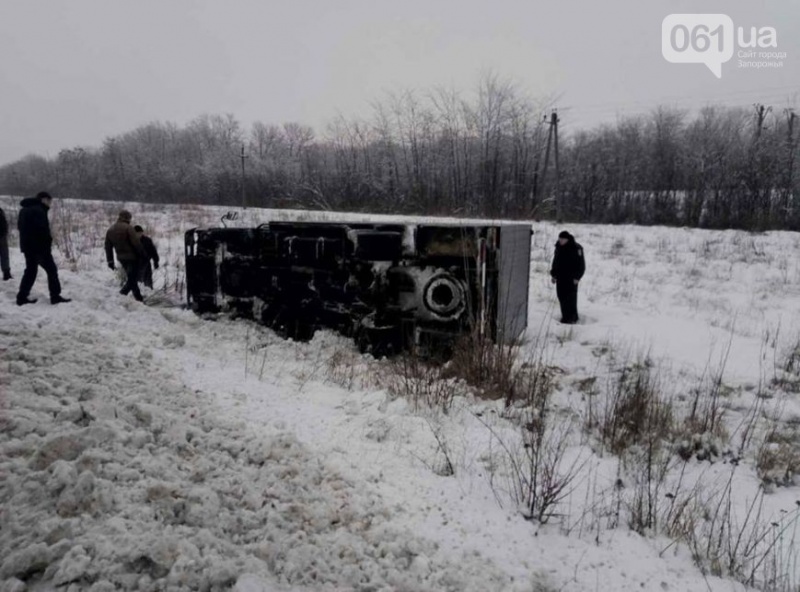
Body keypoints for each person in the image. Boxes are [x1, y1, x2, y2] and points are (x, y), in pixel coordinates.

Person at [16, 191, 71, 306]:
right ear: (43, 199)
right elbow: (42, 231)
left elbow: (20, 228)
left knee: (30, 271)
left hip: (27, 247)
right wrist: (47, 243)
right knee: (52, 270)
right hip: (39, 248)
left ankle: (21, 297)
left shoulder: (24, 210)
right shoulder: (39, 211)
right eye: (49, 201)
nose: (50, 203)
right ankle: (55, 296)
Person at [105, 210, 146, 302]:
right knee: (132, 279)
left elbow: (108, 247)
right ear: (127, 218)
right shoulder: (128, 228)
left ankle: (139, 298)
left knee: (132, 278)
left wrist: (110, 261)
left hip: (121, 258)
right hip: (132, 257)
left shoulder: (110, 230)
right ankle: (121, 295)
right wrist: (143, 254)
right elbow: (136, 243)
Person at [550, 230, 585, 324]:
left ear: (567, 239)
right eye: (559, 239)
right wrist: (553, 275)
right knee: (561, 297)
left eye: (562, 239)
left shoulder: (576, 248)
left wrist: (577, 277)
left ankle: (572, 318)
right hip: (560, 277)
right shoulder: (558, 247)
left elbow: (581, 265)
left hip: (571, 278)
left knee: (570, 298)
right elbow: (555, 262)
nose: (560, 241)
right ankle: (565, 317)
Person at [0, 206, 11, 280]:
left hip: (2, 236)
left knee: (4, 255)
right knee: (4, 255)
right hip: (2, 236)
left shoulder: (1, 211)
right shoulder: (1, 211)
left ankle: (6, 273)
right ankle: (6, 273)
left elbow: (4, 223)